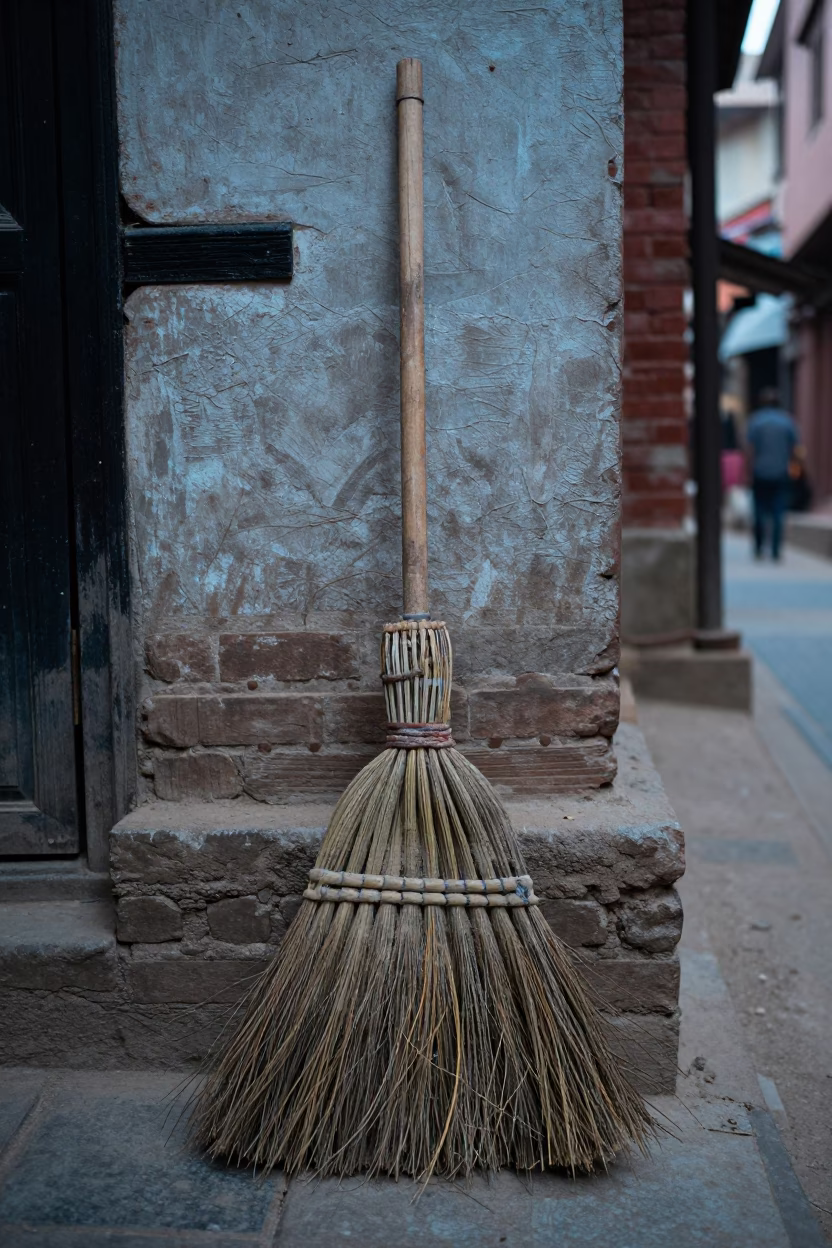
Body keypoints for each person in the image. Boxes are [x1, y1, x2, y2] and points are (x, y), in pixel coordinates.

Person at [745, 387, 799, 561]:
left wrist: (747, 472)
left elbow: (749, 449)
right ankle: (775, 550)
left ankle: (759, 548)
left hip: (760, 472)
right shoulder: (787, 422)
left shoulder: (756, 421)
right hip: (780, 473)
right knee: (778, 512)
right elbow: (795, 449)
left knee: (759, 512)